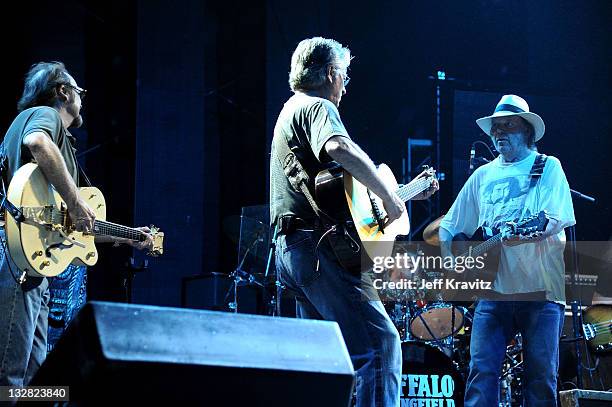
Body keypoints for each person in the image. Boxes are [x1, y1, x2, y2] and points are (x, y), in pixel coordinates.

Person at [269, 37, 437, 407]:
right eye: (343, 76)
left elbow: (337, 191)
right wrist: (391, 196)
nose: (344, 86)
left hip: (292, 253)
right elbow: (339, 148)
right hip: (319, 248)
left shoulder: (288, 111)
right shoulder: (317, 107)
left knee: (328, 361)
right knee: (381, 346)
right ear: (330, 73)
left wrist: (402, 194)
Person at [0, 61, 153, 388]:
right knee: (10, 374)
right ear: (62, 92)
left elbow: (78, 225)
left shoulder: (64, 146)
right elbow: (37, 142)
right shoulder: (46, 116)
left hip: (33, 263)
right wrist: (74, 200)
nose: (82, 98)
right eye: (79, 91)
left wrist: (129, 236)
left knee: (34, 375)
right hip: (15, 254)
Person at [439, 94, 576, 405]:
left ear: (526, 131)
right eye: (496, 127)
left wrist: (528, 233)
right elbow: (448, 226)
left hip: (541, 291)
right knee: (481, 374)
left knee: (540, 379)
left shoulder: (548, 167)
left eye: (508, 125)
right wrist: (455, 265)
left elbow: (554, 218)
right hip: (493, 292)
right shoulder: (482, 176)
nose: (500, 132)